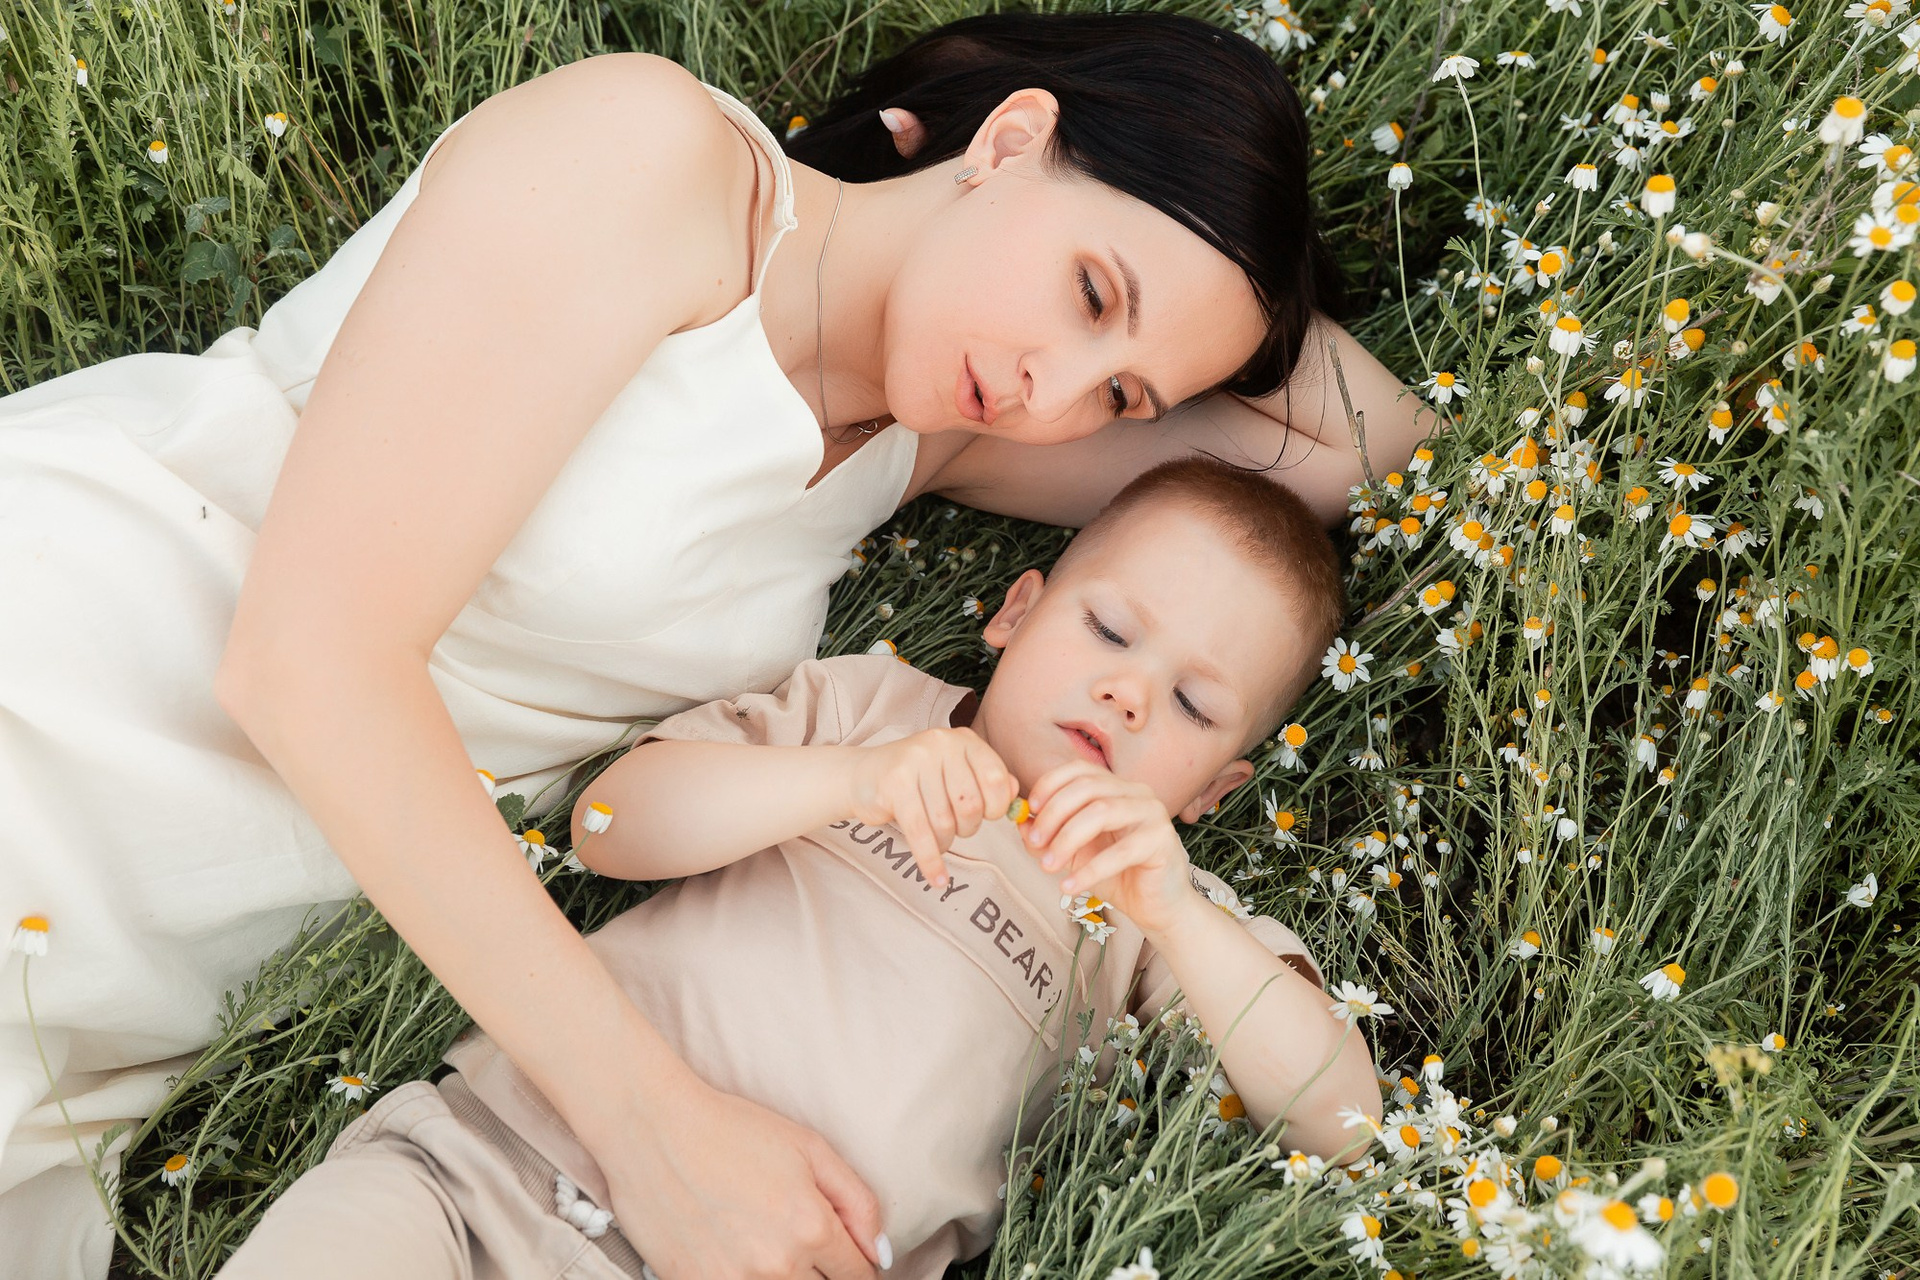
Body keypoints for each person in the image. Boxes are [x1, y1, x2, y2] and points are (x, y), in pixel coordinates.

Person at [0, 11, 1431, 1278]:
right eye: (1091, 290)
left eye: (1122, 399)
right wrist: (651, 1125)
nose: (1054, 393)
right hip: (73, 693)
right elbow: (306, 664)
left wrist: (1225, 282)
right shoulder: (661, 161)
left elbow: (1365, 448)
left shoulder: (943, 433)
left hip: (164, 966)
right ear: (1009, 141)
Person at [211, 456, 1384, 1280]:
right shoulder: (866, 707)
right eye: (1111, 631)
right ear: (1017, 613)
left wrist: (1178, 914)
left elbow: (1344, 1118)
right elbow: (609, 823)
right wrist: (846, 782)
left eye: (1191, 705)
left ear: (1212, 791)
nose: (1128, 691)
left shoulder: (1146, 916)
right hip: (490, 1162)